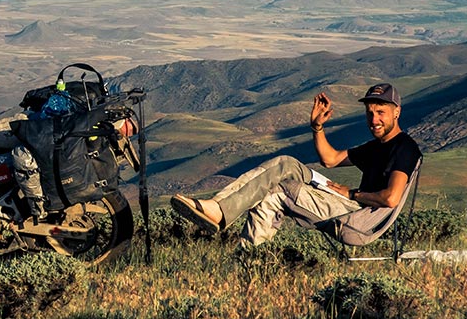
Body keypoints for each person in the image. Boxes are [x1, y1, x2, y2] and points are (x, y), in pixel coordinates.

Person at [170, 83, 423, 246]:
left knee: (277, 192)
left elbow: (390, 198)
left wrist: (351, 193)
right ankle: (232, 231)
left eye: (381, 112)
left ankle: (235, 236)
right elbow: (330, 159)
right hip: (348, 204)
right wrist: (317, 127)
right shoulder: (376, 146)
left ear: (396, 112)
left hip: (358, 217)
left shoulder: (404, 147)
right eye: (370, 112)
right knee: (287, 163)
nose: (374, 119)